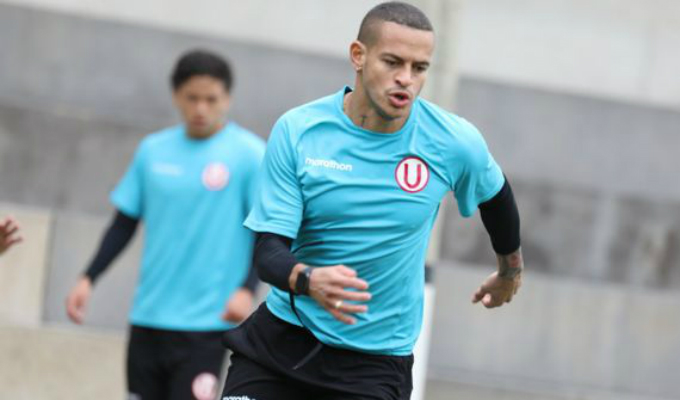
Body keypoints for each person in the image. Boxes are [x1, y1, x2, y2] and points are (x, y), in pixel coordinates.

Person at [220, 2, 524, 400]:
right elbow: (268, 251)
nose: (406, 79)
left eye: (419, 68)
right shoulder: (299, 131)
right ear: (358, 56)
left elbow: (497, 197)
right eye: (393, 62)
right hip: (281, 344)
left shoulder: (453, 141)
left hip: (374, 365)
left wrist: (509, 272)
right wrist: (308, 280)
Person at [64, 49, 265, 400]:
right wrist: (88, 277)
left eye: (211, 99)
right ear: (176, 96)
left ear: (227, 99)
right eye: (192, 98)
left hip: (208, 322)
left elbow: (267, 231)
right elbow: (123, 224)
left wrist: (247, 289)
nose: (200, 108)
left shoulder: (250, 155)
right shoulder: (152, 151)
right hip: (148, 317)